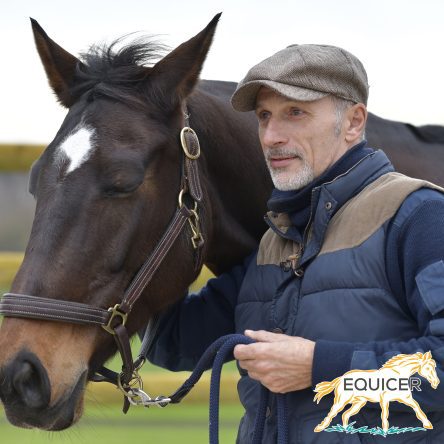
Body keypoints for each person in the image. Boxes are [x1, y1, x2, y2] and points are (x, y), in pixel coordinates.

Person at [147, 44, 444, 442]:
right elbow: (174, 344)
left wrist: (320, 367)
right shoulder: (275, 241)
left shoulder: (419, 215)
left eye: (295, 113)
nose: (271, 136)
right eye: (264, 116)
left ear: (354, 122)